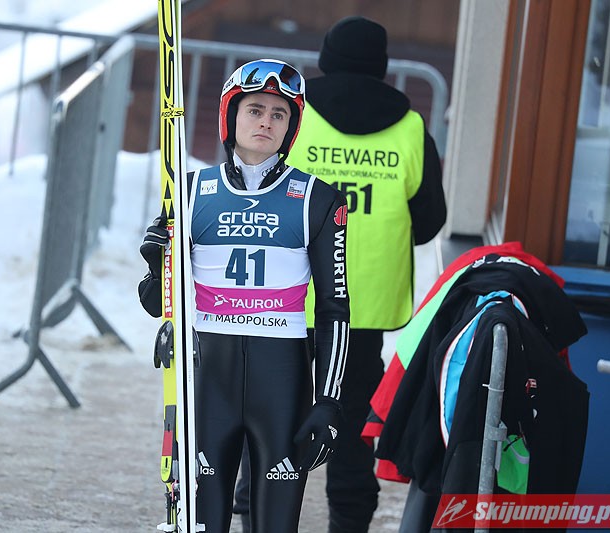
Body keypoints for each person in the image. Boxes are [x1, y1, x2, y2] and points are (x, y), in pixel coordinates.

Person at [233, 17, 446, 533]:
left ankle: (253, 508)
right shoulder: (410, 129)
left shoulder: (294, 117)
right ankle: (348, 521)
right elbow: (429, 221)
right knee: (349, 424)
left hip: (288, 296)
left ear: (326, 58)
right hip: (363, 307)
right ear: (383, 65)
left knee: (273, 411)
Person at [137, 59, 351, 533]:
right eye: (255, 110)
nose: (266, 122)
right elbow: (157, 303)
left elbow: (335, 307)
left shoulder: (318, 199)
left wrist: (328, 400)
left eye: (279, 114)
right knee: (201, 523)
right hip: (208, 381)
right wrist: (156, 267)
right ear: (230, 116)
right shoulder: (190, 192)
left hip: (282, 382)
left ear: (291, 127)